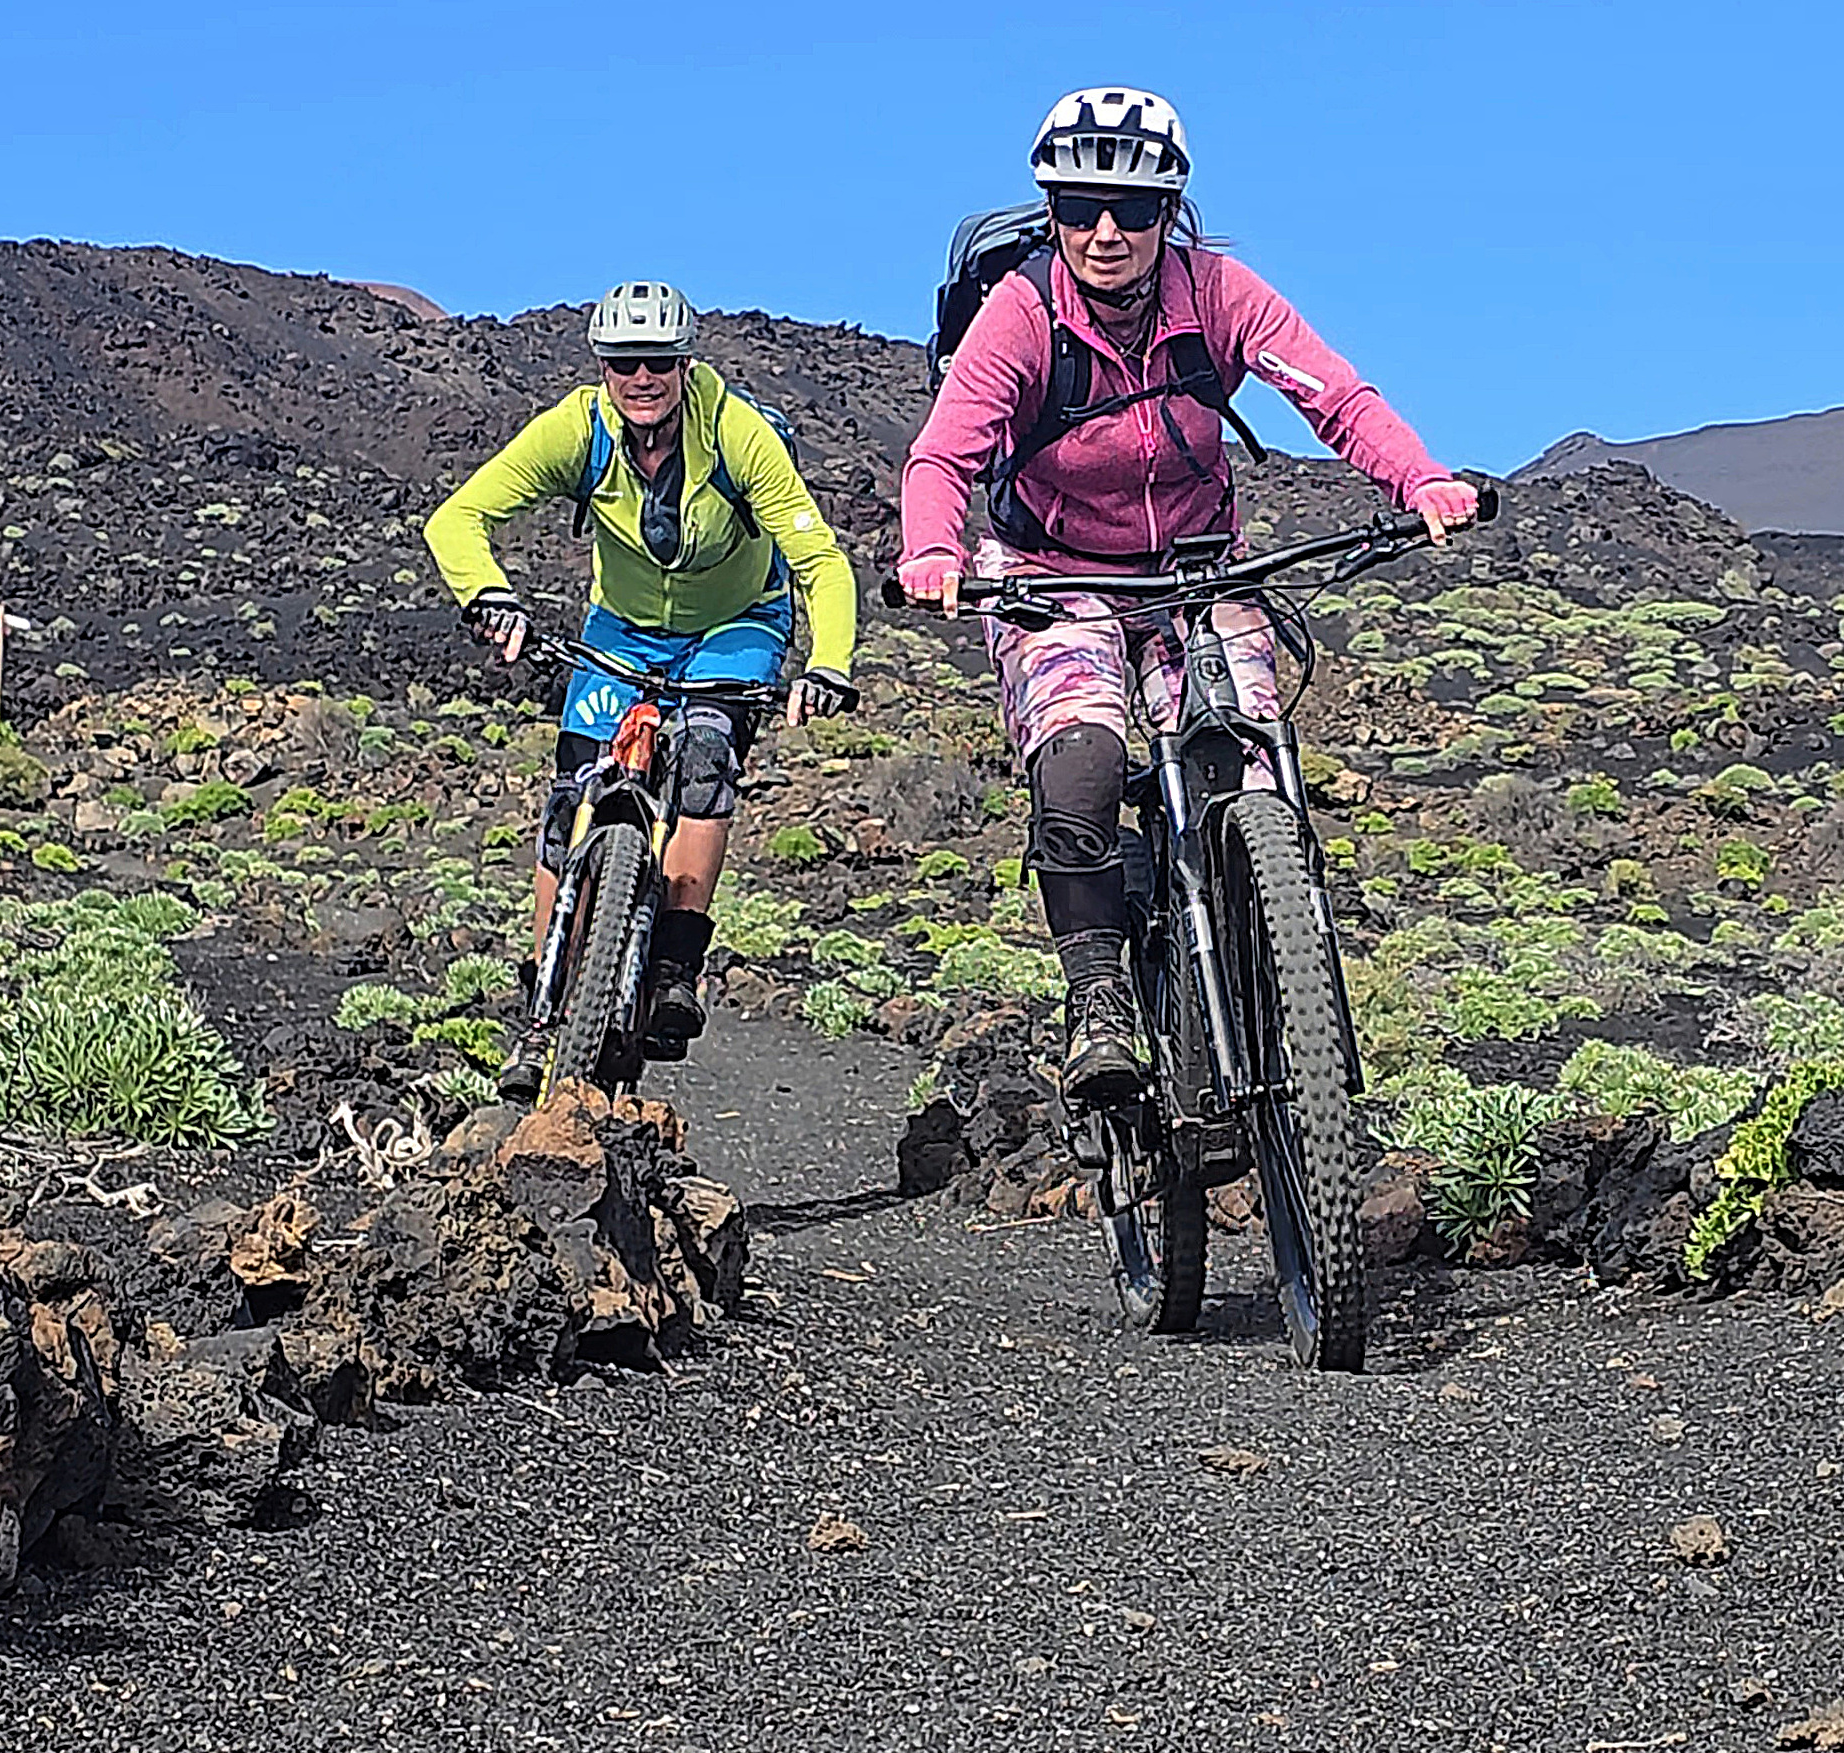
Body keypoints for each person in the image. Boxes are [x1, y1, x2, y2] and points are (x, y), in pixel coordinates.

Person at [897, 88, 1478, 1103]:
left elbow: (1334, 395)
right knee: (1081, 754)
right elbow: (944, 454)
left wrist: (1418, 479)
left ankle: (1274, 968)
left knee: (1248, 757)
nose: (1105, 232)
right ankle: (1099, 999)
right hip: (1054, 572)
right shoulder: (1021, 313)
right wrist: (933, 551)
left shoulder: (1217, 292)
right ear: (1050, 211)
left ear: (1169, 211)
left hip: (1201, 568)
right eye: (1079, 208)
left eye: (1132, 209)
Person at [427, 280, 857, 1079]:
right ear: (602, 366)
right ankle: (543, 1005)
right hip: (622, 630)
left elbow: (821, 563)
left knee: (705, 758)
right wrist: (488, 596)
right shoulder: (578, 429)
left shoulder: (735, 434)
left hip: (735, 625)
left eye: (659, 360)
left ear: (687, 363)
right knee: (571, 798)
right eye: (624, 362)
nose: (642, 377)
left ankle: (675, 967)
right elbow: (457, 518)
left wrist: (828, 662)